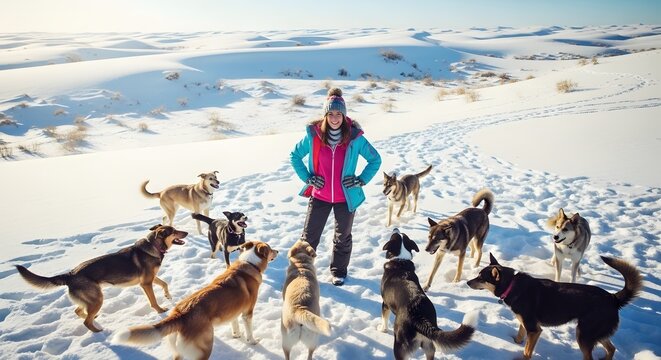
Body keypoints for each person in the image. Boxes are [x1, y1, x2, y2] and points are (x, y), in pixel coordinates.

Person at [290, 88, 382, 286]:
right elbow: (295, 156)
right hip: (320, 195)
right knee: (309, 237)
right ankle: (303, 271)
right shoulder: (313, 136)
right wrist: (308, 178)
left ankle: (338, 271)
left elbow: (375, 159)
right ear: (325, 115)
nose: (334, 118)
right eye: (330, 114)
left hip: (345, 198)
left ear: (344, 115)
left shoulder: (355, 138)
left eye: (338, 114)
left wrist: (361, 179)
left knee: (342, 238)